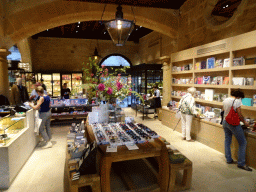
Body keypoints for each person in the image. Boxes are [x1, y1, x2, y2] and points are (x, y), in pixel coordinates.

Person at [222, 89, 252, 171]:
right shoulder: (237, 101)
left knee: (227, 140)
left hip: (225, 122)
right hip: (233, 124)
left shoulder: (225, 100)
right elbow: (239, 114)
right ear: (238, 96)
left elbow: (223, 110)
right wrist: (245, 122)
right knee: (243, 142)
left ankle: (228, 159)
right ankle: (241, 163)